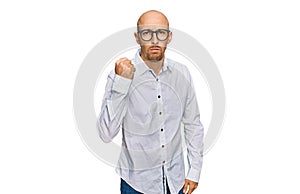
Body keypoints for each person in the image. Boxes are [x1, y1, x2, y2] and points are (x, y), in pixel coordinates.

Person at [97, 10, 204, 194]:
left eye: (160, 33)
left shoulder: (182, 74)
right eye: (146, 33)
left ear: (169, 37)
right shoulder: (120, 74)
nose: (154, 40)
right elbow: (106, 134)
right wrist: (122, 83)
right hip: (136, 185)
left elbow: (193, 125)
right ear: (137, 38)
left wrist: (194, 171)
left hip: (175, 181)